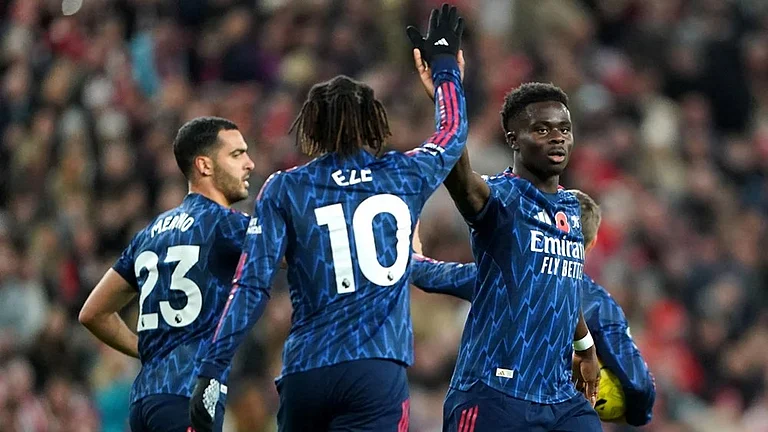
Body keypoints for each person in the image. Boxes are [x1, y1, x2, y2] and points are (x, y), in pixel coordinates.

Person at [189, 5, 467, 432]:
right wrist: (446, 70)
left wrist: (214, 367)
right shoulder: (404, 175)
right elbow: (450, 136)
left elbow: (251, 285)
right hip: (376, 371)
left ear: (311, 127)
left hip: (307, 372)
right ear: (373, 122)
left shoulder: (286, 188)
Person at [406, 43, 601, 429]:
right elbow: (458, 175)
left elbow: (560, 282)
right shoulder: (500, 198)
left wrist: (585, 347)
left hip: (559, 398)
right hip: (494, 392)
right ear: (513, 139)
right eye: (541, 129)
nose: (557, 138)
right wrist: (449, 90)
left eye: (563, 129)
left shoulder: (572, 209)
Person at [409, 189, 656, 427]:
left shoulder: (505, 272)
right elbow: (638, 384)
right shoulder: (600, 305)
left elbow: (430, 275)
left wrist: (413, 252)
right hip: (555, 413)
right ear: (589, 245)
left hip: (491, 402)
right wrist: (635, 413)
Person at [78, 117, 255, 432]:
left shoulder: (151, 233)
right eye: (236, 154)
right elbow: (291, 253)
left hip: (145, 401)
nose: (250, 164)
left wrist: (149, 349)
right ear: (204, 165)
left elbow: (93, 312)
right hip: (188, 396)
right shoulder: (225, 224)